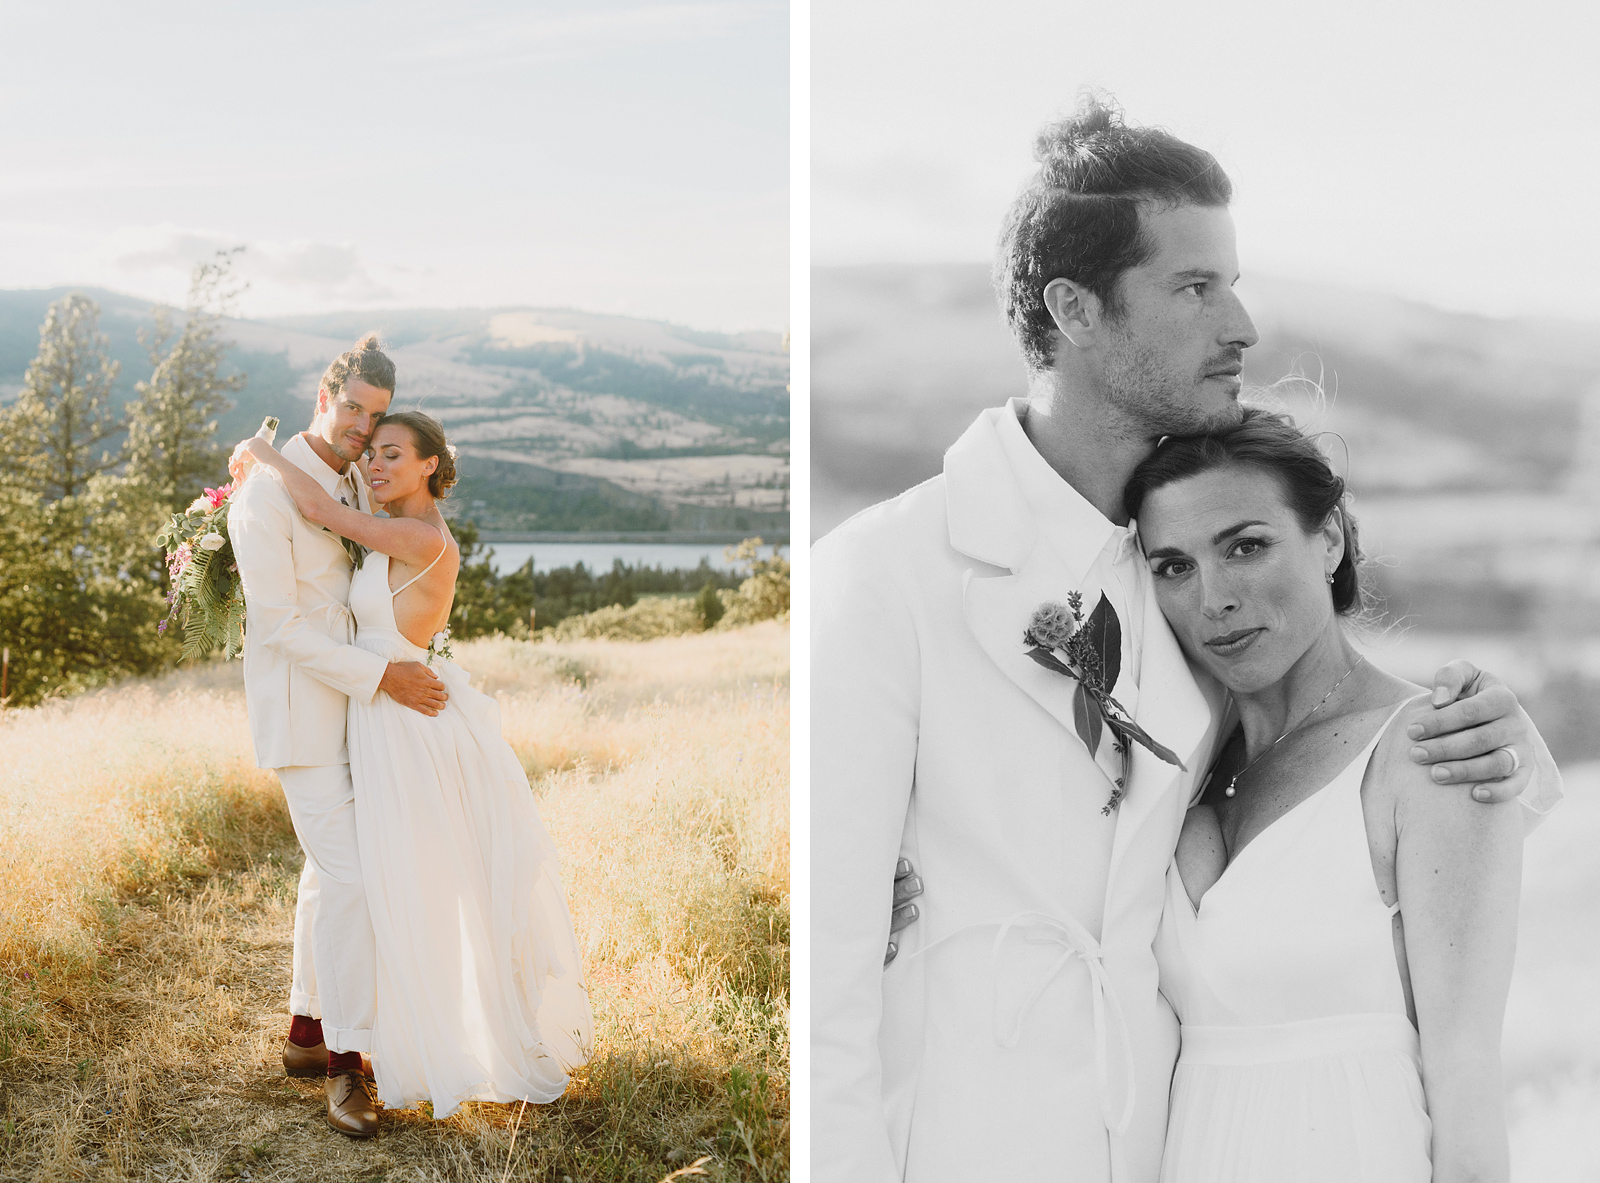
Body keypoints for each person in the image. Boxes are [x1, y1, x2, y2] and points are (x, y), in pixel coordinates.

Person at [809, 95, 1561, 1182]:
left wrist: (1501, 743)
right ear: (1075, 308)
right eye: (1196, 286)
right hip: (965, 1138)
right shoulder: (886, 574)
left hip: (1174, 1139)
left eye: (1234, 283)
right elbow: (830, 985)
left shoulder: (1179, 584)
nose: (1242, 326)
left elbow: (1329, 779)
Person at [1125, 410, 1520, 1182]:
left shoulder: (1430, 750)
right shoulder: (1179, 774)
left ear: (1330, 537)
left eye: (1247, 545)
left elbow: (1468, 1079)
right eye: (1173, 565)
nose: (1213, 598)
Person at [235, 411, 594, 1120]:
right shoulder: (389, 516)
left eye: (393, 453)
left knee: (400, 881)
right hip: (373, 715)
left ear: (430, 463)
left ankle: (384, 1045)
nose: (376, 463)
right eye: (373, 452)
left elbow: (315, 505)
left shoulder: (419, 536)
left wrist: (258, 452)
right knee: (367, 875)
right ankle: (318, 1032)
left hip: (402, 722)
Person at [229, 336, 448, 1137]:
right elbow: (280, 628)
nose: (363, 426)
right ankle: (349, 1067)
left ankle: (305, 1032)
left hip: (359, 717)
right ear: (324, 396)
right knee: (352, 876)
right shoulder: (261, 499)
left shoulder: (355, 473)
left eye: (377, 415)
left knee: (331, 876)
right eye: (353, 407)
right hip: (303, 717)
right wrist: (384, 675)